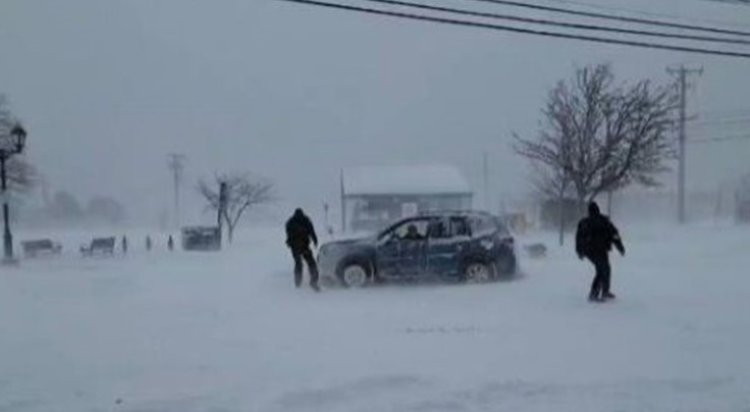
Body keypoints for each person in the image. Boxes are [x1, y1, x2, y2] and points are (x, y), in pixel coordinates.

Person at [575, 201, 625, 302]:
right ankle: (594, 294)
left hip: (591, 251)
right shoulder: (604, 221)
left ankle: (605, 292)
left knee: (605, 269)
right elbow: (615, 235)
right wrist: (620, 247)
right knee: (603, 270)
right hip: (600, 250)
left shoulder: (584, 222)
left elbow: (578, 239)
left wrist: (579, 251)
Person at [285, 208, 320, 291]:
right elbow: (312, 231)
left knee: (299, 263)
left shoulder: (291, 221)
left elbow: (311, 231)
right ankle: (312, 281)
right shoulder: (304, 220)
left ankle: (298, 282)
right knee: (310, 263)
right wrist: (315, 240)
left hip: (297, 246)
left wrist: (314, 239)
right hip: (302, 245)